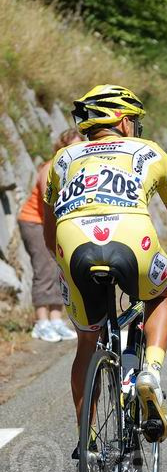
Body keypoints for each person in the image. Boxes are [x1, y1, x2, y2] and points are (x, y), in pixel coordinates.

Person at [42, 84, 167, 465]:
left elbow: (48, 230)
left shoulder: (61, 159)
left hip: (73, 243)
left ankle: (86, 439)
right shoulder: (148, 151)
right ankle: (150, 372)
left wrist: (67, 270)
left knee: (87, 341)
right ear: (124, 121)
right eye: (134, 121)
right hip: (131, 238)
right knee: (159, 296)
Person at [18, 129, 81, 342]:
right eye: (71, 146)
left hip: (56, 223)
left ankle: (56, 320)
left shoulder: (76, 169)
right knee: (43, 269)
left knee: (58, 269)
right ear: (61, 148)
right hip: (35, 223)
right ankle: (41, 323)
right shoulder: (51, 167)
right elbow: (50, 201)